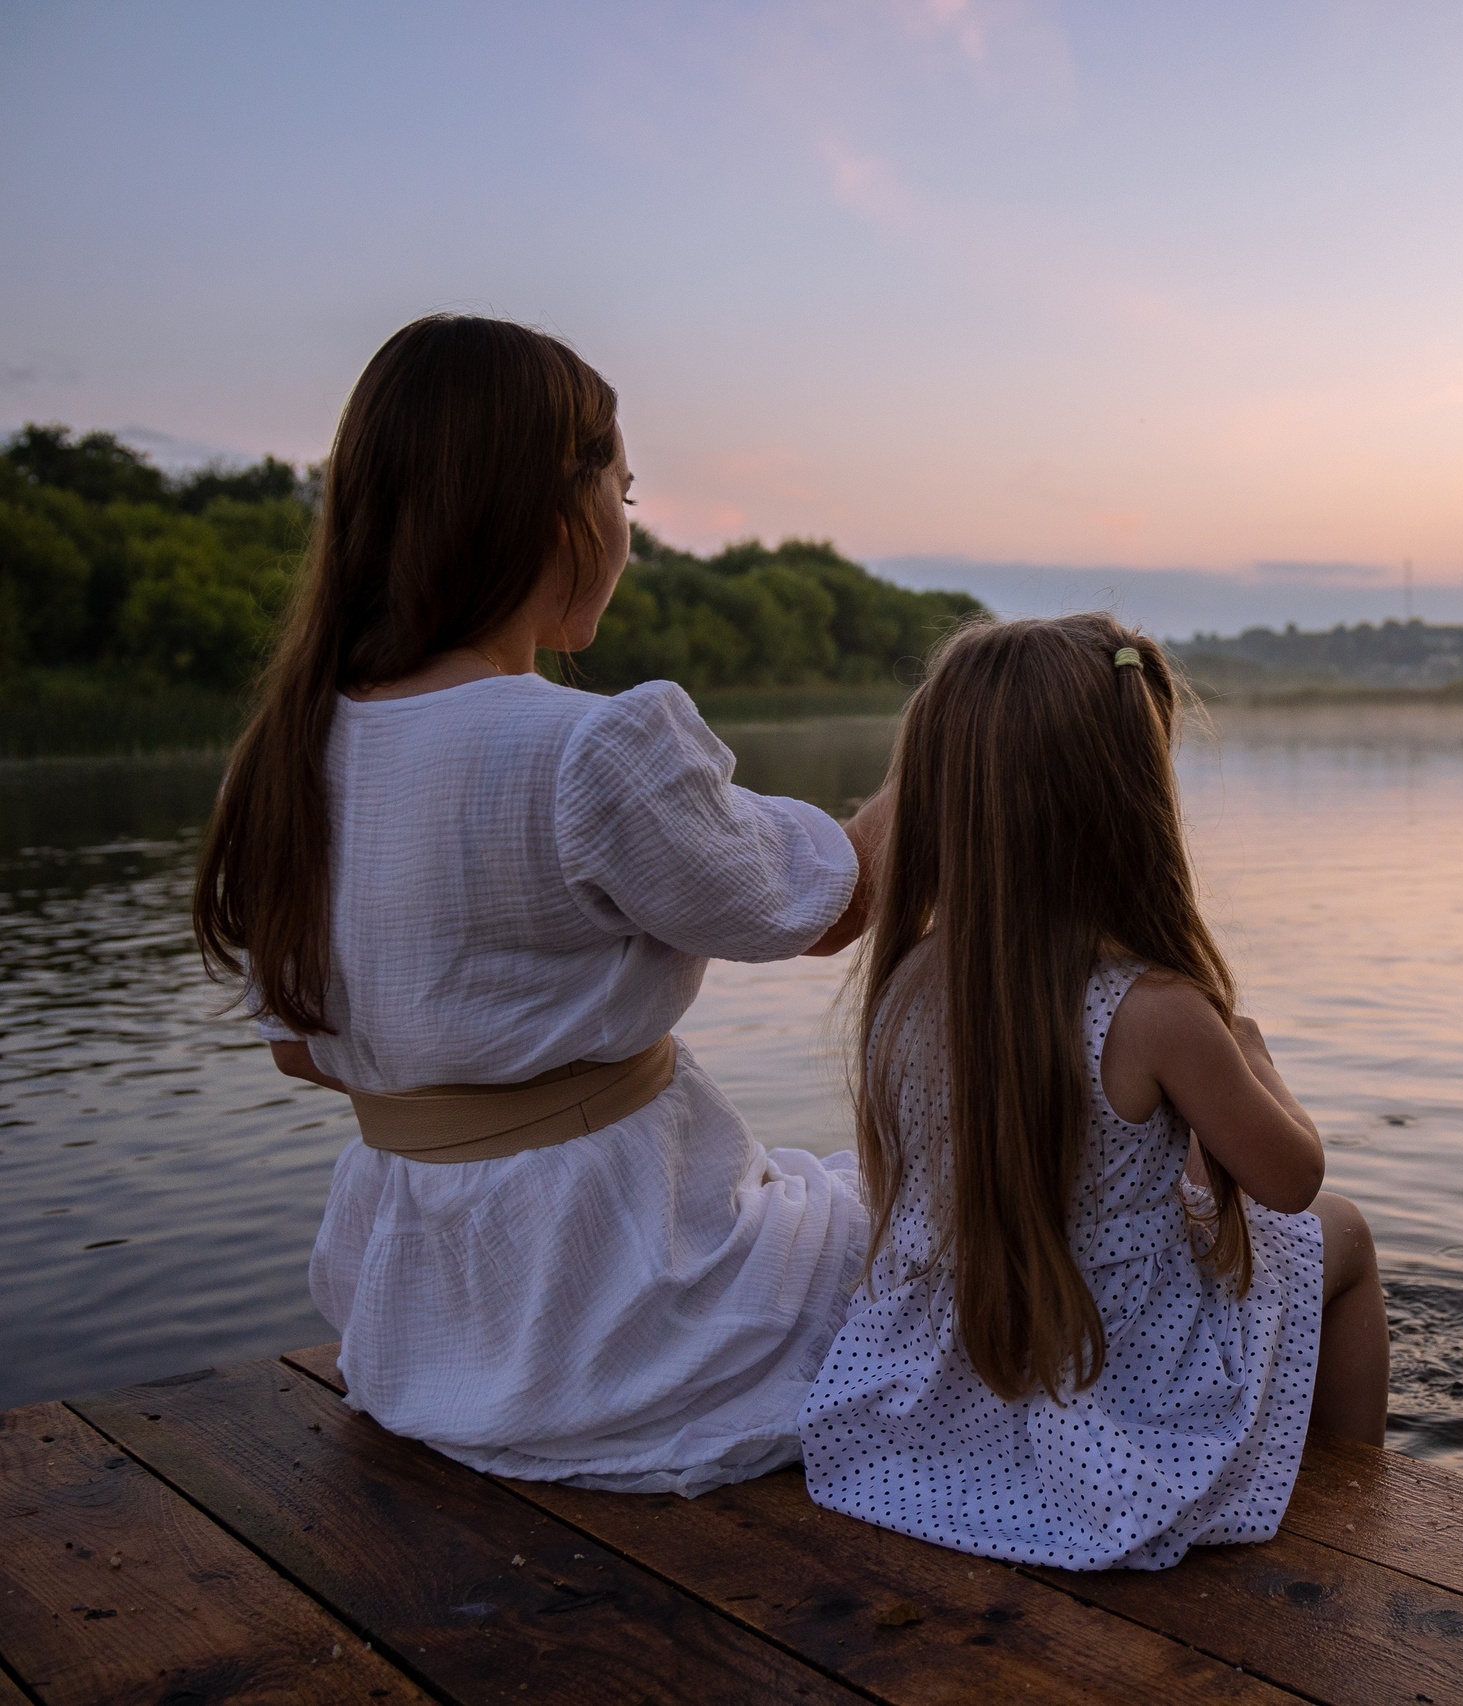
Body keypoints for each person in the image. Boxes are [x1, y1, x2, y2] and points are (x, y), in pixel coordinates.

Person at [191, 314, 888, 1494]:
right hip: (629, 1315)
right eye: (625, 489)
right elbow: (824, 907)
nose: (631, 525)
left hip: (422, 1327)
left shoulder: (280, 760)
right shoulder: (592, 748)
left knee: (842, 1191)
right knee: (951, 1227)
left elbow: (302, 1052)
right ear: (559, 513)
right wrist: (942, 759)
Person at [799, 614, 1388, 1570]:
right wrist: (1259, 1061)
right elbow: (1292, 1179)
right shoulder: (1155, 1012)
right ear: (1129, 800)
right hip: (1110, 1396)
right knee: (1346, 1237)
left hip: (945, 1396)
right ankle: (1359, 1523)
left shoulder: (908, 984)